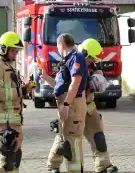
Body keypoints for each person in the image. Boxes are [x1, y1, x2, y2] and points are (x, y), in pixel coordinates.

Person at [0, 31, 33, 173]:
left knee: (14, 161)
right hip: (3, 123)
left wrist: (24, 89)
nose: (15, 54)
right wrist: (19, 92)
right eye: (12, 51)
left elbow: (10, 91)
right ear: (3, 49)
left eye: (16, 51)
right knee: (4, 164)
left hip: (12, 122)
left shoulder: (7, 65)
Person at [40, 33, 88, 173]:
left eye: (57, 45)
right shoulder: (67, 60)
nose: (57, 48)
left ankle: (75, 170)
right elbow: (60, 85)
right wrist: (46, 77)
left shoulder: (76, 57)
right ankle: (52, 168)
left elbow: (76, 81)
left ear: (61, 44)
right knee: (63, 137)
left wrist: (66, 104)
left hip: (72, 105)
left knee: (73, 141)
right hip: (66, 104)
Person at [78, 39, 118, 173]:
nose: (93, 61)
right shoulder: (73, 65)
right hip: (75, 108)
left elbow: (96, 80)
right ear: (84, 53)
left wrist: (99, 76)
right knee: (65, 140)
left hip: (89, 107)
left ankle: (103, 166)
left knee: (98, 136)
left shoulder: (91, 66)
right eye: (91, 58)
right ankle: (53, 166)